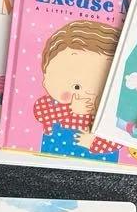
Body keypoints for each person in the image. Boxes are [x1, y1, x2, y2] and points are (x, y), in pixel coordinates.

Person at [33, 20, 122, 163]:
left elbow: (120, 138)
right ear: (46, 78)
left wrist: (93, 143)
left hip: (98, 165)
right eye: (76, 87)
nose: (85, 95)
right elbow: (40, 113)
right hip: (48, 160)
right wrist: (70, 109)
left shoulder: (113, 115)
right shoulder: (50, 106)